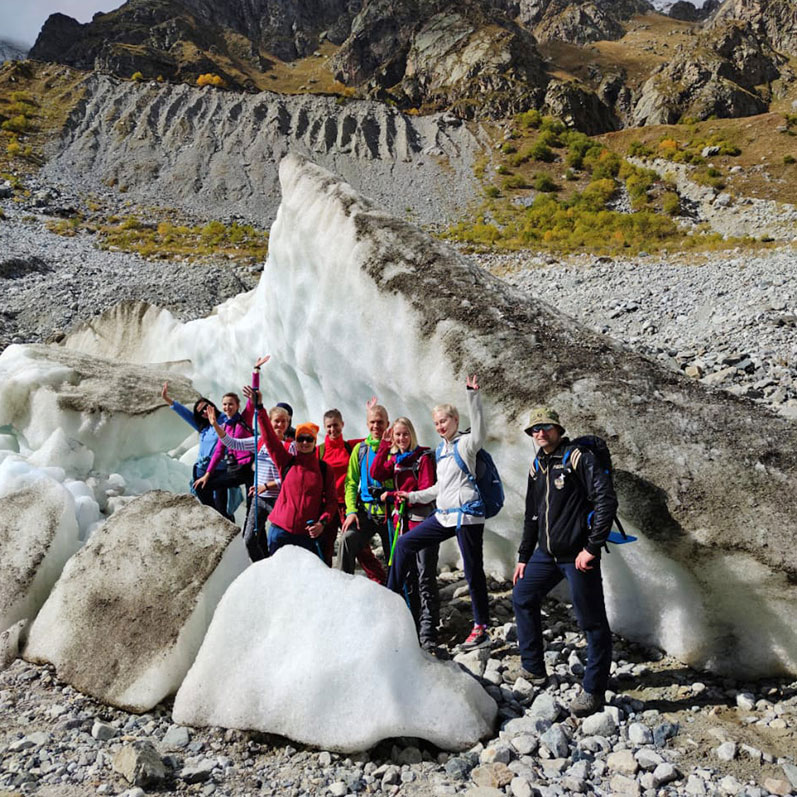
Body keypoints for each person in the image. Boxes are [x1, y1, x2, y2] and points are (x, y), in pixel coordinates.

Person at [512, 407, 618, 717]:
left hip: (577, 555)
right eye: (534, 429)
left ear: (558, 428)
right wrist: (523, 556)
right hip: (546, 555)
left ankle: (594, 690)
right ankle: (533, 667)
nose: (539, 433)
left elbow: (605, 500)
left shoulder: (577, 458)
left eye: (545, 427)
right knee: (522, 596)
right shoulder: (539, 465)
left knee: (592, 622)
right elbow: (533, 514)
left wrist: (592, 547)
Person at [387, 375, 490, 651]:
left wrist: (473, 397)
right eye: (436, 423)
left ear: (455, 420)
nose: (440, 426)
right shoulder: (442, 452)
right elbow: (437, 489)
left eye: (444, 421)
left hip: (467, 515)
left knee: (472, 570)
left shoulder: (467, 444)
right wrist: (409, 496)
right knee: (406, 543)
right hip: (445, 515)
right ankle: (389, 597)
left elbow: (480, 430)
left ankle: (481, 626)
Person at [254, 357, 337, 557]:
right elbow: (269, 438)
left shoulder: (324, 469)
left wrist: (322, 523)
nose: (305, 442)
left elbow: (331, 503)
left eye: (309, 439)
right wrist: (260, 408)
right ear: (296, 440)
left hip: (306, 534)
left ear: (315, 440)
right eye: (301, 438)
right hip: (279, 530)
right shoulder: (286, 461)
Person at [370, 417, 439, 650]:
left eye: (405, 434)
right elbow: (377, 472)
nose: (401, 439)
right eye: (397, 435)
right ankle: (412, 623)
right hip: (403, 524)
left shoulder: (423, 458)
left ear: (412, 434)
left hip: (423, 524)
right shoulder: (398, 460)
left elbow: (427, 491)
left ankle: (428, 630)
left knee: (425, 576)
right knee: (408, 575)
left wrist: (396, 496)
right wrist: (383, 445)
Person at [207, 401, 290, 561]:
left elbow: (289, 479)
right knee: (249, 540)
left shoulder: (289, 446)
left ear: (287, 423)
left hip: (278, 500)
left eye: (283, 421)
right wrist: (216, 426)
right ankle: (262, 567)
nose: (279, 424)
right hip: (259, 499)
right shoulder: (259, 441)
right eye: (276, 421)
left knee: (279, 540)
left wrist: (265, 486)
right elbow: (233, 443)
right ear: (270, 422)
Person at [337, 401, 393, 580]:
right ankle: (342, 586)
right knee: (348, 539)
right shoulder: (360, 450)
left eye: (380, 422)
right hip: (366, 512)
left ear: (387, 424)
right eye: (372, 422)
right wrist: (351, 511)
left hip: (389, 513)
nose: (376, 425)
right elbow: (351, 483)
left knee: (396, 555)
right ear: (367, 424)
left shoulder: (395, 448)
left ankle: (397, 592)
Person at [161, 384, 230, 515]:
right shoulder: (203, 427)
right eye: (201, 412)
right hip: (200, 470)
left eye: (206, 407)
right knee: (208, 507)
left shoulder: (225, 421)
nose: (205, 412)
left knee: (221, 508)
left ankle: (228, 523)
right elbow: (185, 414)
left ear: (212, 405)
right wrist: (168, 399)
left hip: (219, 471)